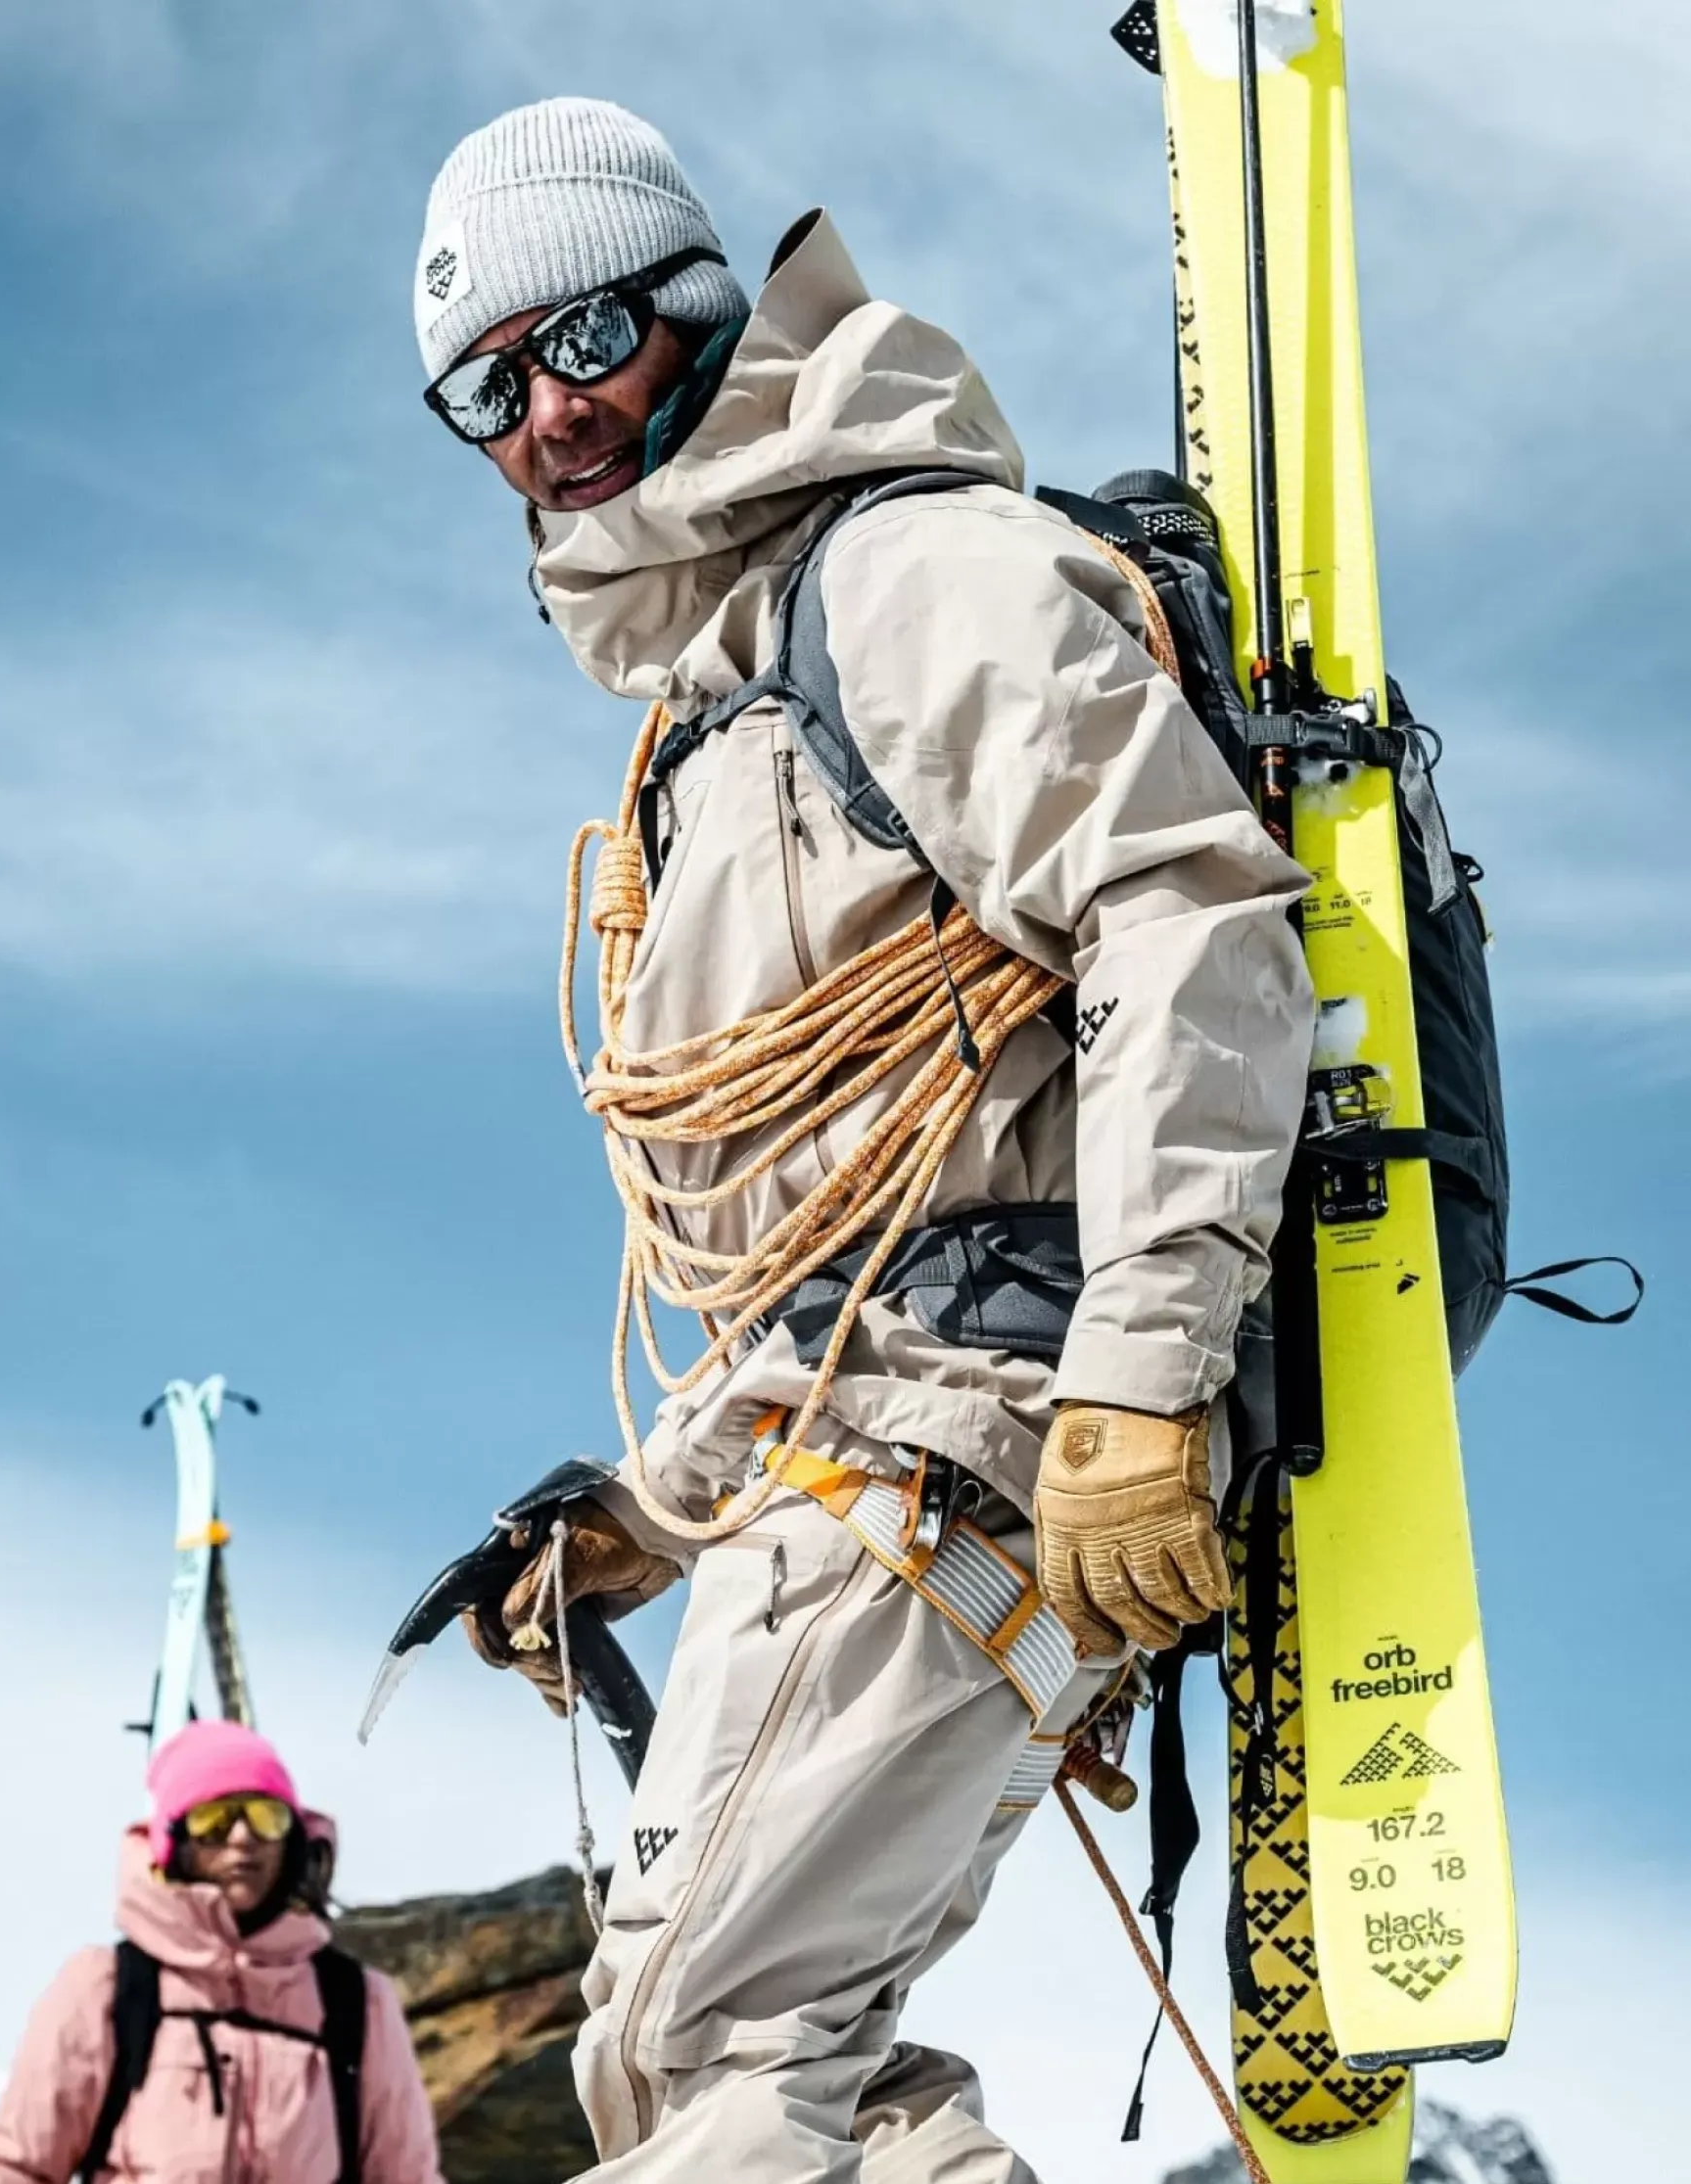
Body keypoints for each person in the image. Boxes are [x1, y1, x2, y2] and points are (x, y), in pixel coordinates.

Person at [416, 96, 1314, 2182]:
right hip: (875, 1435)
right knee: (726, 2064)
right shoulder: (712, 719)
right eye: (485, 389)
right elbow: (833, 1237)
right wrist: (651, 1513)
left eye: (579, 339)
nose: (544, 415)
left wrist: (1144, 1375)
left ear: (697, 300)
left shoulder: (911, 576)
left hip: (986, 1435)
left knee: (713, 2049)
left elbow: (1184, 912)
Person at [0, 1721, 442, 2184]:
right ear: (174, 1839)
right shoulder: (107, 1988)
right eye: (214, 1819)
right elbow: (21, 2170)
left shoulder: (356, 2002)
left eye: (266, 1816)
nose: (242, 1837)